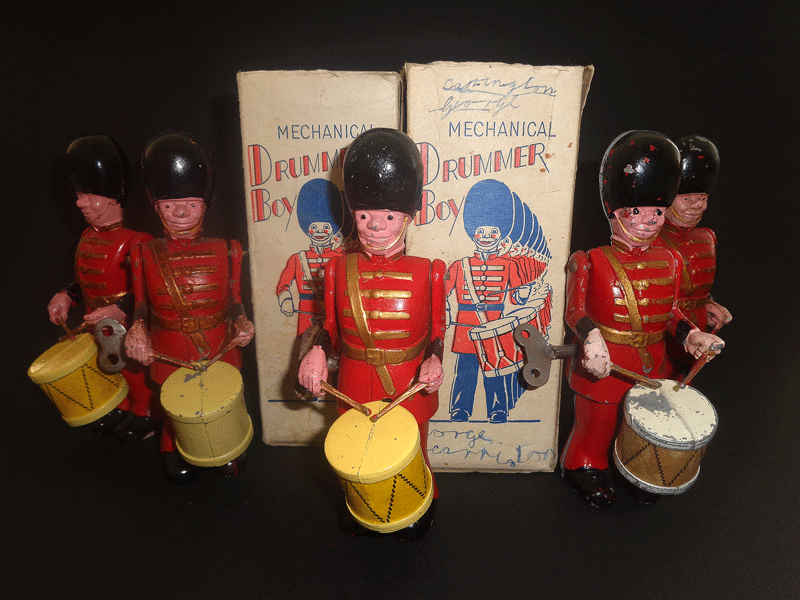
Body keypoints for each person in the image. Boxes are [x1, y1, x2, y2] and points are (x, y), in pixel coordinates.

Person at [561, 131, 724, 508]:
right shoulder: (591, 260)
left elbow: (670, 313)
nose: (649, 220)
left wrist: (691, 335)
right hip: (606, 363)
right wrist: (591, 338)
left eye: (657, 212)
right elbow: (575, 311)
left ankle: (631, 466)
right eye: (637, 211)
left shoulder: (670, 259)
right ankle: (583, 465)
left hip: (652, 364)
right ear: (616, 212)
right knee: (598, 423)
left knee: (639, 424)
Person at [298, 128, 445, 539]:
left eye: (389, 217)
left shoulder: (430, 270)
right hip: (354, 378)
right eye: (364, 216)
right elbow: (329, 326)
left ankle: (420, 500)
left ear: (407, 216)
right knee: (357, 449)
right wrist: (316, 351)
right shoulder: (336, 269)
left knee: (413, 445)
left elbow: (437, 329)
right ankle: (360, 502)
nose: (376, 225)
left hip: (407, 379)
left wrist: (435, 358)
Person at [125, 131, 255, 484]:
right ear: (156, 207)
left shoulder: (227, 249)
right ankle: (172, 446)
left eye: (191, 204)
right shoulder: (143, 253)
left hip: (217, 342)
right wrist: (137, 330)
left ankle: (230, 445)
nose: (181, 212)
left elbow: (234, 299)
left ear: (204, 205)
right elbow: (141, 303)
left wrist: (242, 322)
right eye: (170, 205)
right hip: (168, 345)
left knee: (223, 399)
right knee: (174, 404)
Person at [47, 134, 154, 441]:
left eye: (90, 195)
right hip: (98, 323)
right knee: (109, 365)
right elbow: (85, 282)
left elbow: (148, 289)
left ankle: (146, 412)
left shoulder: (137, 240)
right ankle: (121, 405)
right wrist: (67, 295)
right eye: (80, 194)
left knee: (134, 367)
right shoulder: (87, 236)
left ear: (112, 199)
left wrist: (118, 309)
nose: (80, 202)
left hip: (130, 323)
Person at [655, 135, 732, 378]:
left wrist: (706, 303)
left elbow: (691, 287)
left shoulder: (706, 237)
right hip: (658, 337)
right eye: (687, 198)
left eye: (703, 199)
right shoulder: (649, 242)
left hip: (695, 343)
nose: (699, 206)